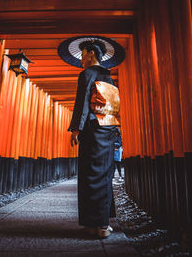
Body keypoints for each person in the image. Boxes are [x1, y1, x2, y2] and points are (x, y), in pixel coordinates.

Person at [68, 40, 120, 239]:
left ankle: (94, 224)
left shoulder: (86, 74)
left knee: (89, 175)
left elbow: (82, 103)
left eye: (83, 55)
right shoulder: (109, 76)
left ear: (91, 53)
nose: (81, 60)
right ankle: (101, 224)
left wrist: (75, 129)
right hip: (107, 130)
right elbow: (113, 106)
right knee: (104, 175)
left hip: (91, 131)